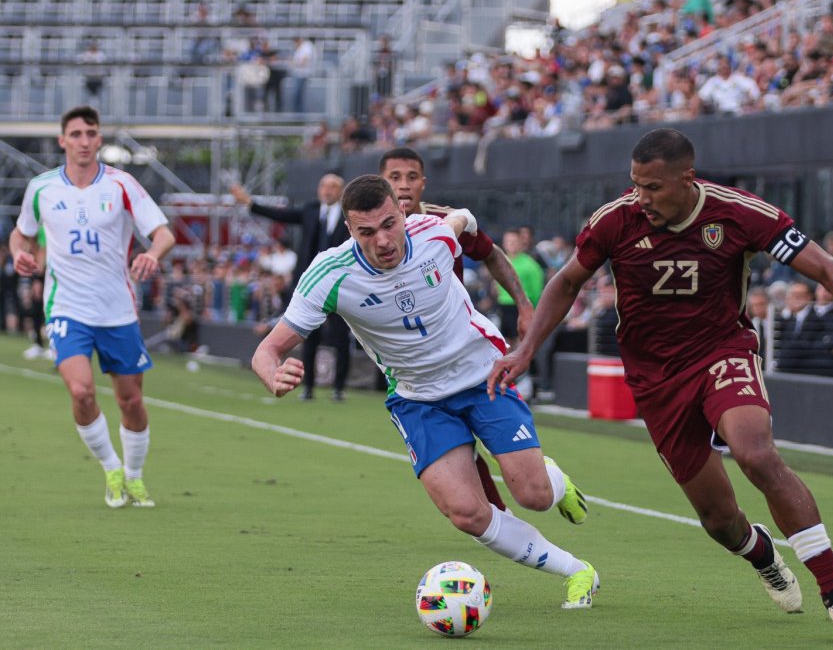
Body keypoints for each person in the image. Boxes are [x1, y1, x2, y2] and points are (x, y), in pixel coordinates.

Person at [488, 129, 833, 643]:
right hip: (655, 378)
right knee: (718, 518)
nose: (641, 199)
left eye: (653, 188)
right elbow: (567, 282)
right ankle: (761, 554)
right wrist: (527, 347)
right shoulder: (614, 220)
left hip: (720, 352)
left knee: (755, 453)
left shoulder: (740, 213)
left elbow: (828, 269)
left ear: (687, 179)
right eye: (635, 185)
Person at [251, 175, 599, 609]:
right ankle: (577, 571)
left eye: (388, 224)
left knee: (534, 496)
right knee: (467, 513)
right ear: (350, 231)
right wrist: (273, 373)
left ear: (402, 213)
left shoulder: (435, 232)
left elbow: (478, 238)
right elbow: (267, 349)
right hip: (418, 399)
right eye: (367, 232)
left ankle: (553, 479)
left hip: (482, 375)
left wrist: (524, 304)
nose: (382, 240)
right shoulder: (329, 273)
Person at [9, 105, 176, 508]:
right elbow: (21, 235)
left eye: (91, 134)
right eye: (76, 134)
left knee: (130, 401)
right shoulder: (42, 188)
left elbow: (163, 234)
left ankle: (134, 476)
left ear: (99, 140)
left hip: (117, 309)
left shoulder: (121, 185)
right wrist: (19, 254)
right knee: (81, 390)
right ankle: (111, 469)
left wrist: (152, 253)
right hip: (66, 306)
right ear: (62, 140)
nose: (84, 141)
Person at [378, 146, 535, 513]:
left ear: (423, 183)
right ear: (380, 182)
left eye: (411, 177)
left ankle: (543, 478)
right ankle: (501, 518)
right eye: (394, 177)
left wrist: (524, 304)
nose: (403, 185)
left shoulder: (444, 221)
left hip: (467, 355)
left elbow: (492, 254)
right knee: (456, 449)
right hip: (415, 368)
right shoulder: (369, 237)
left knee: (505, 447)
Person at [231, 174, 352, 401]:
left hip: (340, 286)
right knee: (308, 336)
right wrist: (250, 203)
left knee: (340, 337)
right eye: (324, 186)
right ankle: (308, 387)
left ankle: (338, 388)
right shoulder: (310, 211)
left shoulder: (349, 215)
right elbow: (281, 215)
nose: (327, 190)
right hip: (311, 285)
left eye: (333, 187)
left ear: (342, 191)